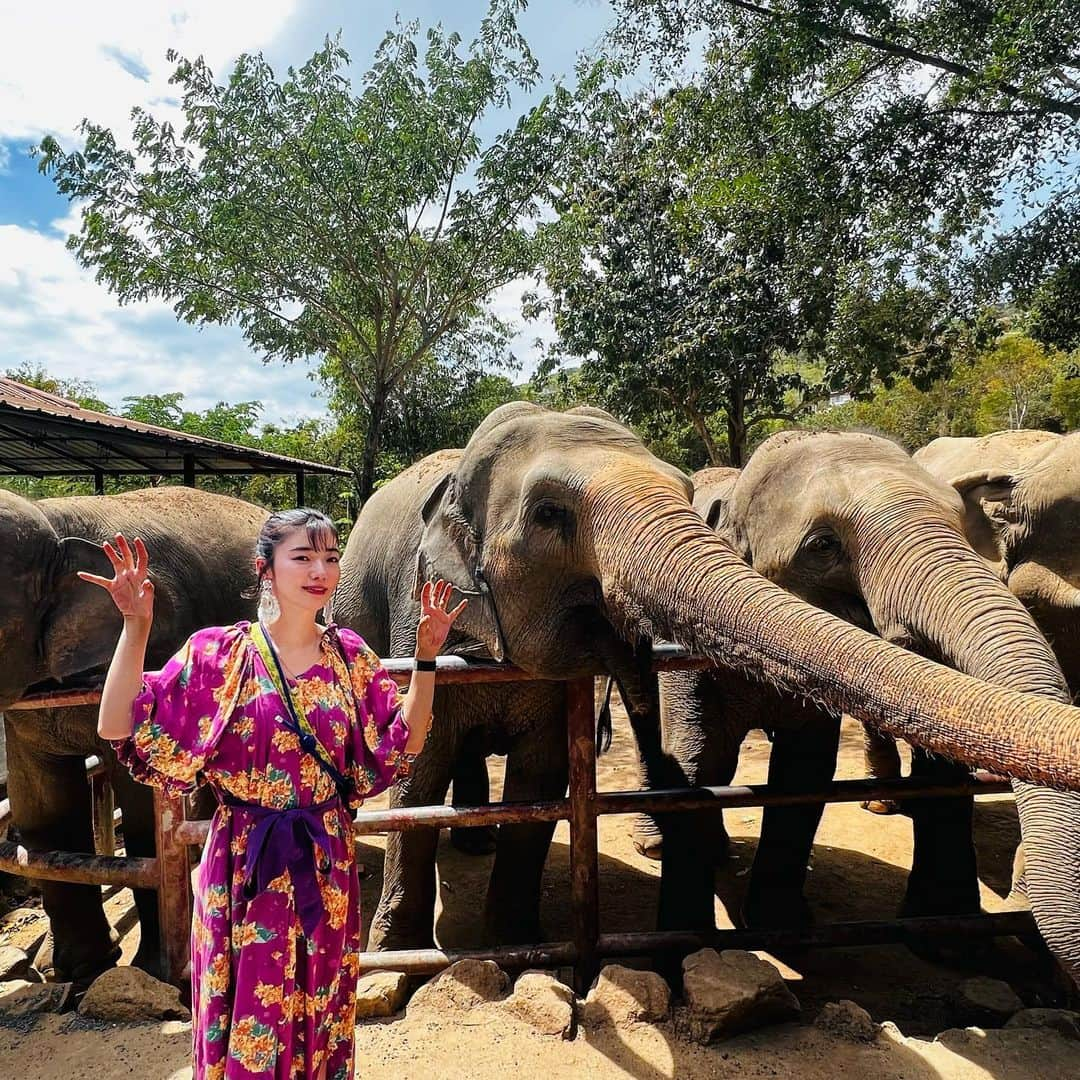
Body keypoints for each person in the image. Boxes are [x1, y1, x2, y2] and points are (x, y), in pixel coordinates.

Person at [85, 508, 465, 1080]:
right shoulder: (220, 655)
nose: (321, 570)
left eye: (331, 557)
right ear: (265, 568)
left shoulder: (352, 658)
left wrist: (428, 657)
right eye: (303, 556)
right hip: (244, 864)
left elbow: (403, 739)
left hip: (326, 862)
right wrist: (135, 626)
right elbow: (117, 724)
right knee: (249, 1011)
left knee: (323, 1005)